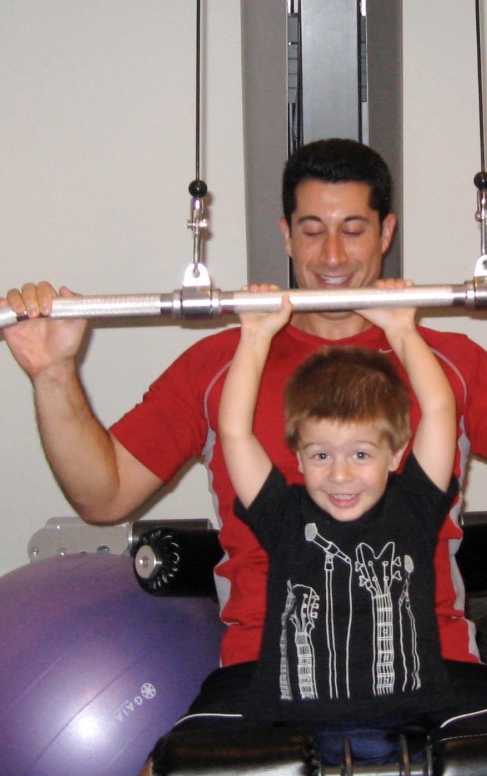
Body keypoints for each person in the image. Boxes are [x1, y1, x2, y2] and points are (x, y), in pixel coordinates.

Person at [0, 138, 487, 760]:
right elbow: (101, 494)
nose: (331, 256)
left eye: (353, 229)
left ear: (386, 231)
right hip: (263, 668)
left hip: (432, 662)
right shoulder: (222, 365)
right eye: (312, 230)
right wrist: (53, 374)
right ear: (284, 234)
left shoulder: (450, 362)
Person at [177, 278, 461, 763]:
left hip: (405, 724)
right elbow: (234, 431)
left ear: (395, 455)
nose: (341, 474)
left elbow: (439, 409)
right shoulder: (285, 516)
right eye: (322, 454)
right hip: (296, 726)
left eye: (361, 454)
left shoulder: (413, 506)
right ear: (299, 457)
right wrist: (254, 337)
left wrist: (402, 330)